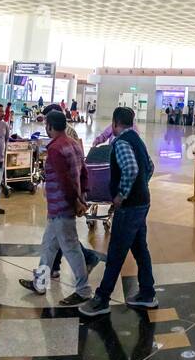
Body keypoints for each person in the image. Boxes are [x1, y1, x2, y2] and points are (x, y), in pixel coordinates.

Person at [79, 106, 157, 318]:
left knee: (115, 252)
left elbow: (131, 169)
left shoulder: (121, 142)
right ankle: (147, 293)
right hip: (142, 203)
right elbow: (150, 167)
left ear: (114, 123)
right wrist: (141, 186)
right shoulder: (137, 139)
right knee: (140, 249)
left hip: (130, 207)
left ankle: (102, 299)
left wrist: (121, 195)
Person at [19, 110, 96, 306]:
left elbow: (64, 180)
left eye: (46, 124)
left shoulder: (55, 149)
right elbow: (84, 173)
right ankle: (40, 283)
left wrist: (75, 201)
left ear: (50, 126)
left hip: (62, 206)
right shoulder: (73, 144)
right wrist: (82, 197)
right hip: (61, 208)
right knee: (48, 246)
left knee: (71, 248)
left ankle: (84, 290)